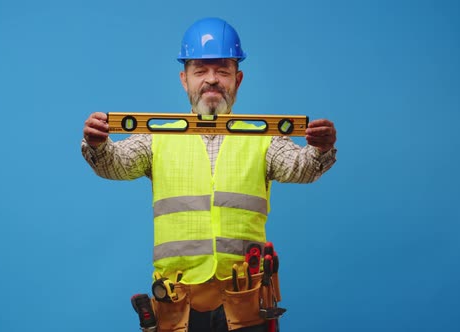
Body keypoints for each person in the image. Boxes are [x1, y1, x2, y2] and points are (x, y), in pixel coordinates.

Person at [82, 17, 337, 332]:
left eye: (223, 71)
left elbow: (304, 168)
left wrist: (321, 150)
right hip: (178, 306)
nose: (212, 80)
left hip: (246, 303)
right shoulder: (156, 138)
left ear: (238, 79)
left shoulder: (265, 140)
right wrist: (98, 144)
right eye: (201, 70)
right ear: (184, 79)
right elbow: (114, 164)